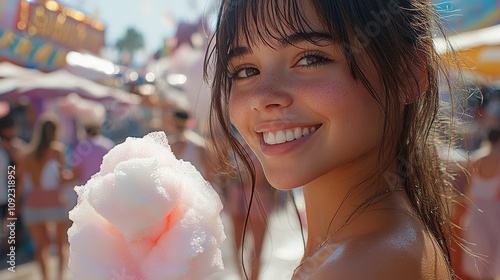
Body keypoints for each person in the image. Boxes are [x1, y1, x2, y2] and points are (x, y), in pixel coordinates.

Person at [204, 0, 461, 279]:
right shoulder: (371, 248)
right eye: (246, 71)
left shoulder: (362, 265)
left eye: (310, 58)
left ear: (407, 74)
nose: (261, 97)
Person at [23, 114, 74, 280]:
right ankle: (59, 277)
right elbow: (61, 178)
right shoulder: (57, 150)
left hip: (32, 205)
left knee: (41, 248)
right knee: (61, 245)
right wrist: (75, 174)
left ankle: (45, 278)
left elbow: (22, 180)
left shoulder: (28, 154)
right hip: (54, 202)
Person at [225, 136, 277, 280]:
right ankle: (243, 277)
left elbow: (259, 178)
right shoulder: (239, 148)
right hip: (240, 200)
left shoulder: (265, 151)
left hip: (257, 201)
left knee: (256, 250)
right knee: (237, 247)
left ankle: (252, 278)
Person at [461, 129, 500, 280]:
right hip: (494, 214)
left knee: (477, 257)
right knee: (491, 260)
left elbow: (468, 193)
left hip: (475, 213)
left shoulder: (477, 160)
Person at [73, 122, 115, 186]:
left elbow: (76, 171)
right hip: (105, 186)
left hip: (86, 187)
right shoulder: (109, 144)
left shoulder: (81, 147)